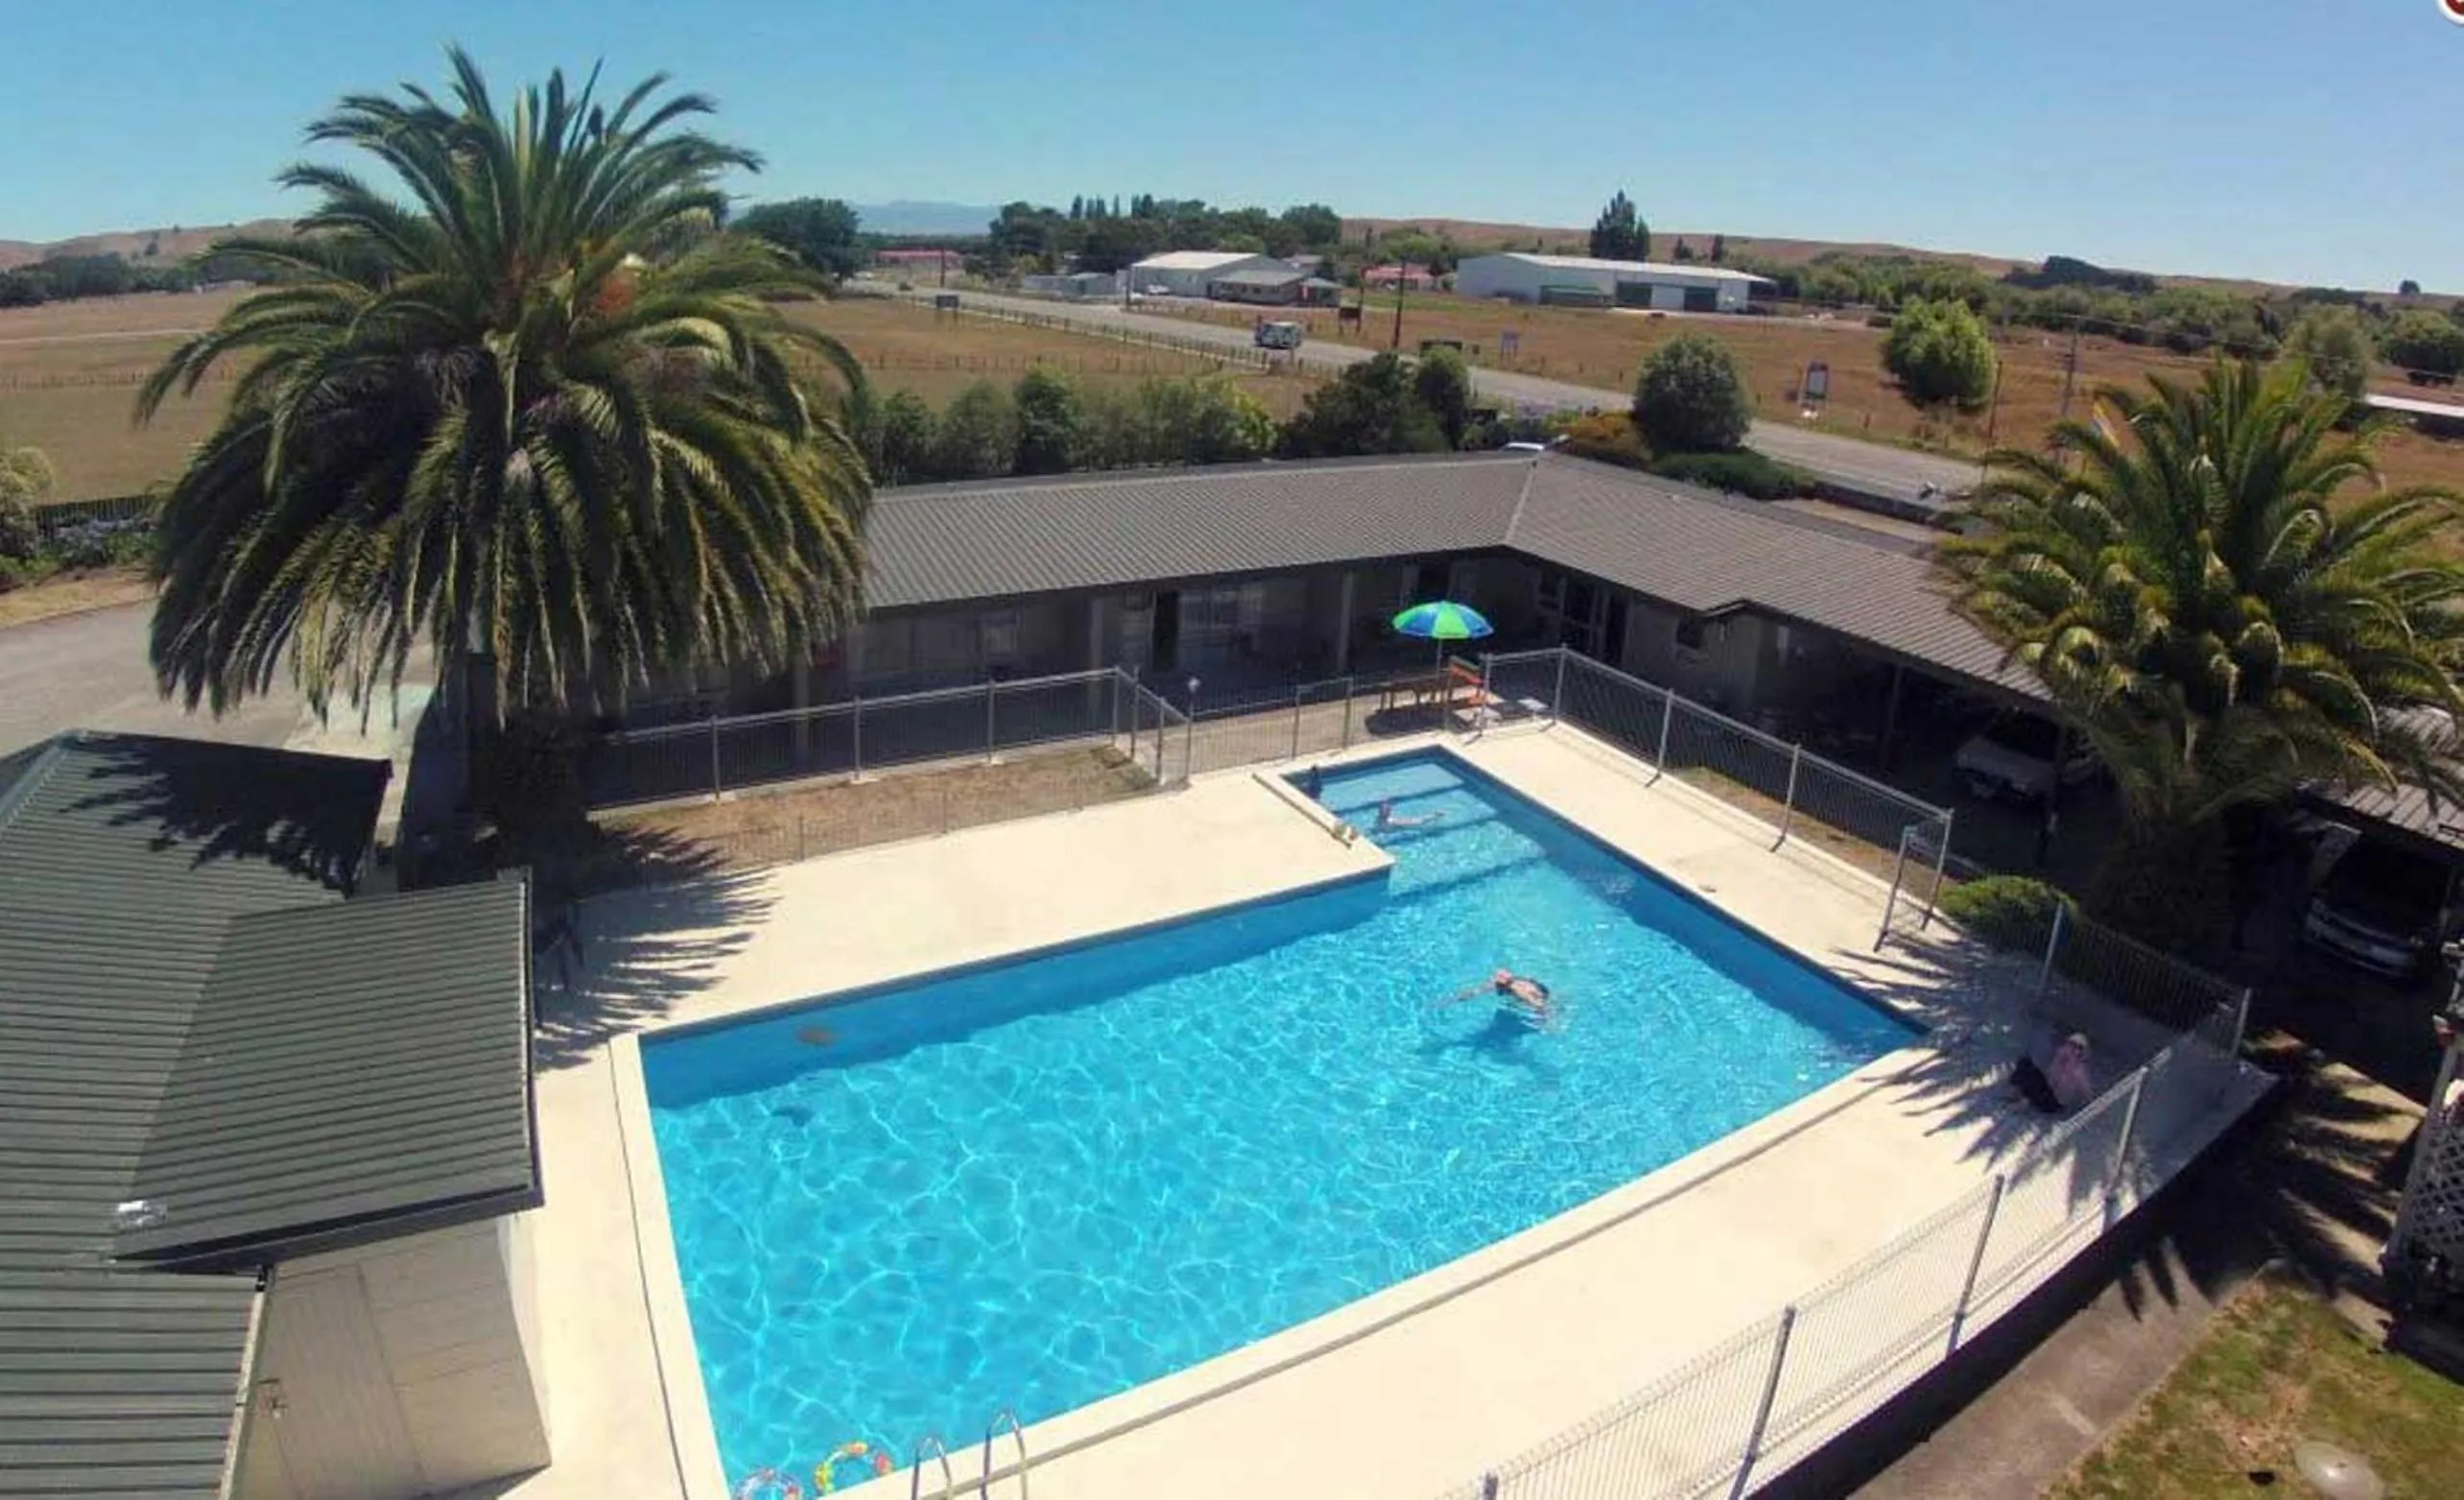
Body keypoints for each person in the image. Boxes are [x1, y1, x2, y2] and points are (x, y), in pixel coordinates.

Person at [1444, 968, 1553, 1025]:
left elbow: (1539, 1005)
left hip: (1538, 994)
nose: (1492, 981)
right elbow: (1475, 992)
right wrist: (1452, 1000)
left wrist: (1547, 1022)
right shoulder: (1500, 984)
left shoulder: (1519, 991)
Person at [1374, 797, 1444, 830]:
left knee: (1418, 821)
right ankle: (1435, 815)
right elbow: (1419, 822)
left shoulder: (1379, 819)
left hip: (1389, 829)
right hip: (1396, 829)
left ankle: (1435, 816)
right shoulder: (1391, 821)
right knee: (1419, 821)